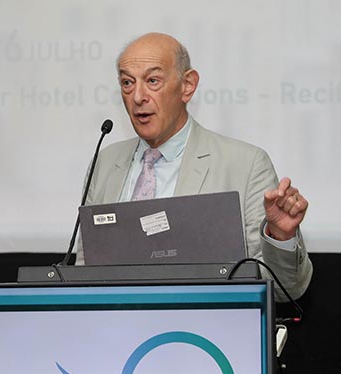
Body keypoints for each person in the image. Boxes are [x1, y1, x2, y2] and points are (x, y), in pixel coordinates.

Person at [80, 32, 312, 301]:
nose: (138, 97)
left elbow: (285, 290)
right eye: (127, 83)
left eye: (153, 81)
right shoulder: (105, 163)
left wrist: (281, 237)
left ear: (187, 86)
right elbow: (83, 274)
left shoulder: (245, 165)